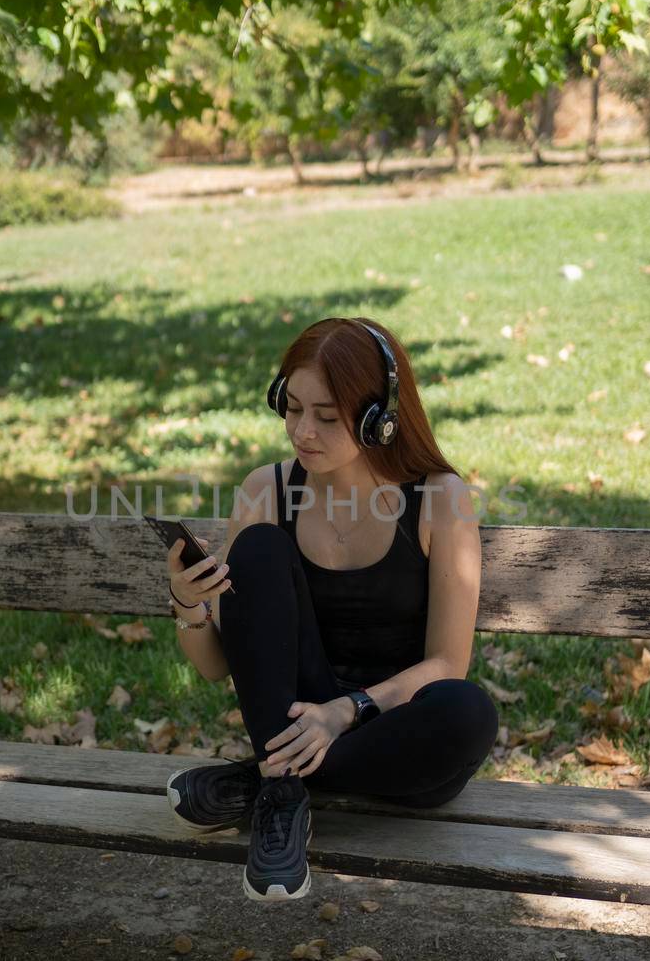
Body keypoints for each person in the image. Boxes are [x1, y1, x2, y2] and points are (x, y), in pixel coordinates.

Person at [163, 315, 499, 902]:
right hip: (291, 715)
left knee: (468, 713)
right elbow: (218, 666)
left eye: (325, 416)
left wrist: (344, 713)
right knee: (259, 549)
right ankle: (284, 795)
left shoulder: (440, 500)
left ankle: (265, 778)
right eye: (291, 408)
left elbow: (448, 663)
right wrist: (189, 604)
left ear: (378, 420)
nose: (301, 431)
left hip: (392, 734)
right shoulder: (265, 491)